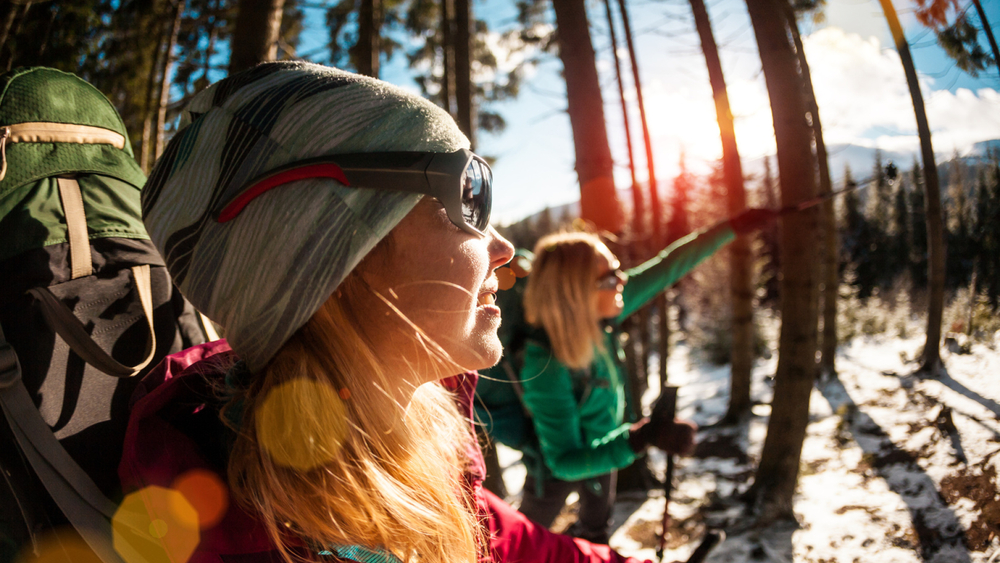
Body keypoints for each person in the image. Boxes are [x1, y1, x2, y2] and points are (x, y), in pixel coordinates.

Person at [119, 61, 654, 563]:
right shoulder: (260, 543)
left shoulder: (417, 431)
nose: (503, 247)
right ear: (331, 262)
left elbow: (509, 539)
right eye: (466, 197)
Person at [515, 210, 774, 543]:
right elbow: (563, 460)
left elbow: (669, 266)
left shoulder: (606, 308)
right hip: (555, 466)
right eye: (610, 278)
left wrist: (731, 227)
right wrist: (640, 437)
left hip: (608, 446)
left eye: (618, 270)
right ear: (576, 296)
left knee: (596, 534)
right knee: (521, 541)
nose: (622, 281)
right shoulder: (544, 364)